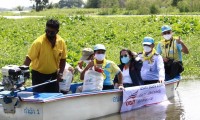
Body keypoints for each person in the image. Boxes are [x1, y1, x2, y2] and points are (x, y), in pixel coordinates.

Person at [23, 19, 67, 93]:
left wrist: (60, 73)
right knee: (38, 98)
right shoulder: (38, 43)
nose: (49, 33)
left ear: (57, 31)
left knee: (54, 98)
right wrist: (23, 75)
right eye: (47, 31)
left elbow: (63, 59)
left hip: (53, 75)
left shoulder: (61, 42)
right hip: (38, 76)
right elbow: (28, 59)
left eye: (52, 32)